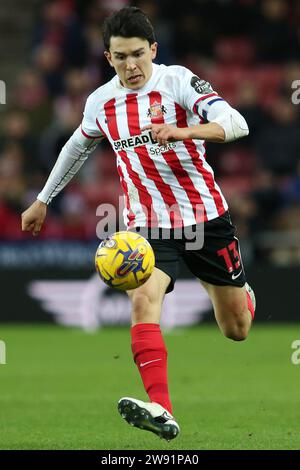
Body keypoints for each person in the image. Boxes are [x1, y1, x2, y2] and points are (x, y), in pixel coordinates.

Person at [21, 7, 256, 441]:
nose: (130, 66)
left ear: (153, 50)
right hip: (147, 225)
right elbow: (77, 147)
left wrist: (185, 132)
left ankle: (243, 296)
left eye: (137, 55)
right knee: (142, 300)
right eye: (119, 57)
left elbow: (236, 122)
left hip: (205, 218)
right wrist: (42, 200)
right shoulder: (100, 102)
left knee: (236, 329)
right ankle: (162, 410)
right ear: (107, 57)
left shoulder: (179, 81)